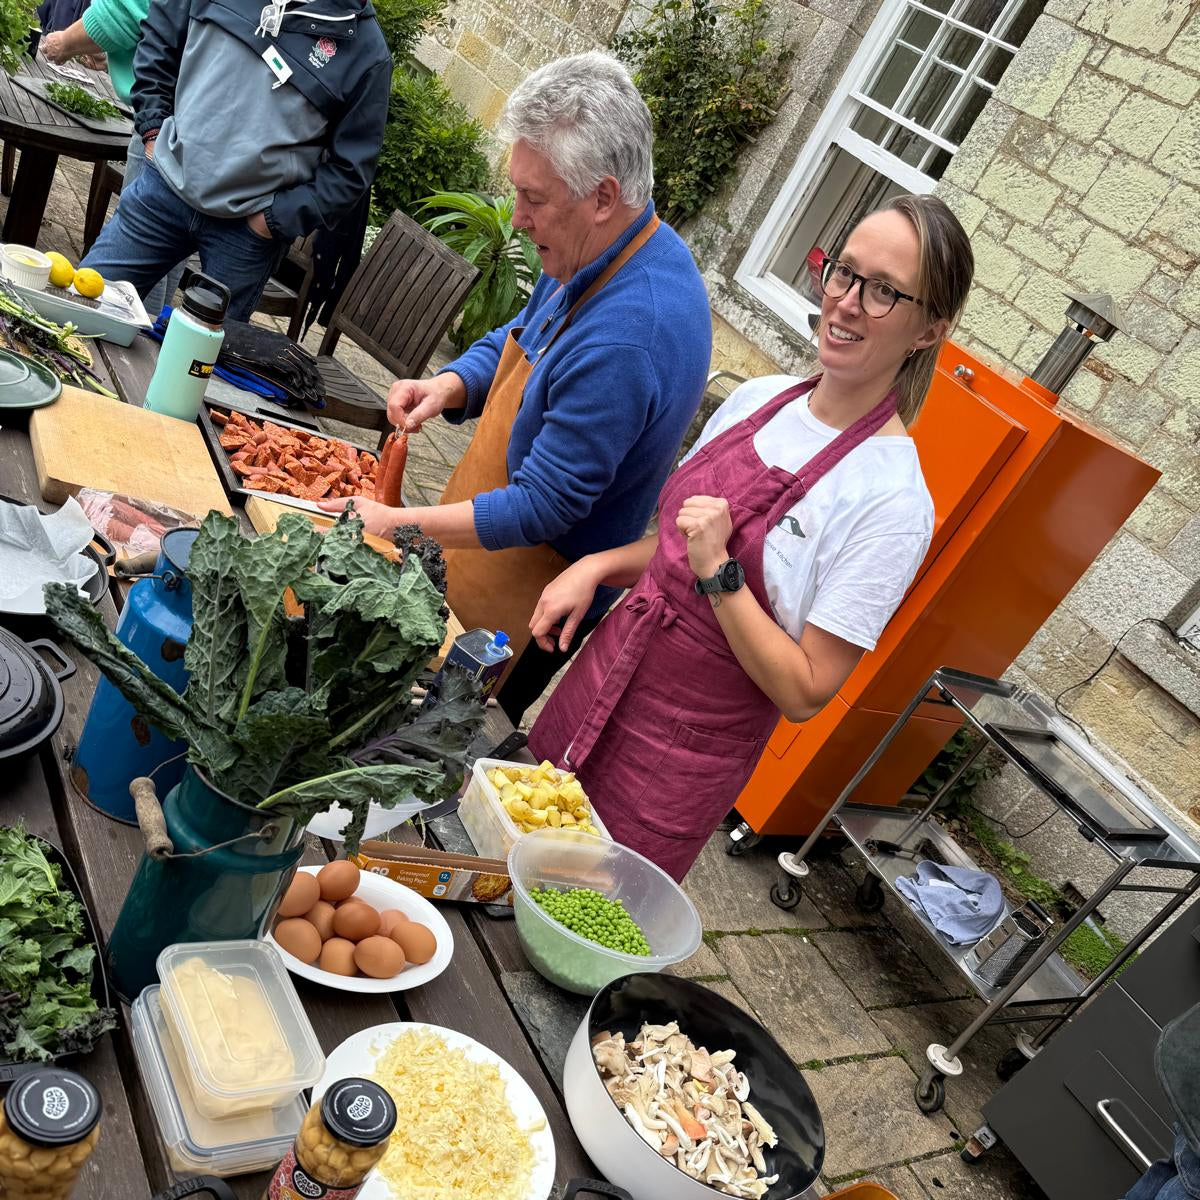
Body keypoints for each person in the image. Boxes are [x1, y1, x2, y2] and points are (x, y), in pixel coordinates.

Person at [524, 194, 974, 880]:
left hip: (678, 761)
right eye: (844, 272)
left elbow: (806, 690)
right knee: (510, 843)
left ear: (928, 331)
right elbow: (675, 550)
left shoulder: (891, 501)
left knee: (590, 908)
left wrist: (723, 577)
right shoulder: (755, 399)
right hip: (602, 675)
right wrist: (597, 567)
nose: (848, 302)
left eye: (884, 291)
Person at [319, 52, 712, 727]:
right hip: (475, 546)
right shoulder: (602, 243)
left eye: (534, 198)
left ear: (603, 196)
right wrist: (450, 384)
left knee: (423, 738)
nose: (517, 217)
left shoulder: (632, 334)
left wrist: (397, 524)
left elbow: (544, 505)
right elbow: (523, 333)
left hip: (528, 595)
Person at [76, 0, 391, 321]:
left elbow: (350, 172)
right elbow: (159, 37)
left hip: (245, 233)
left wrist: (272, 220)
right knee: (80, 308)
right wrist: (153, 130)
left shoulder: (367, 54)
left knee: (198, 351)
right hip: (162, 193)